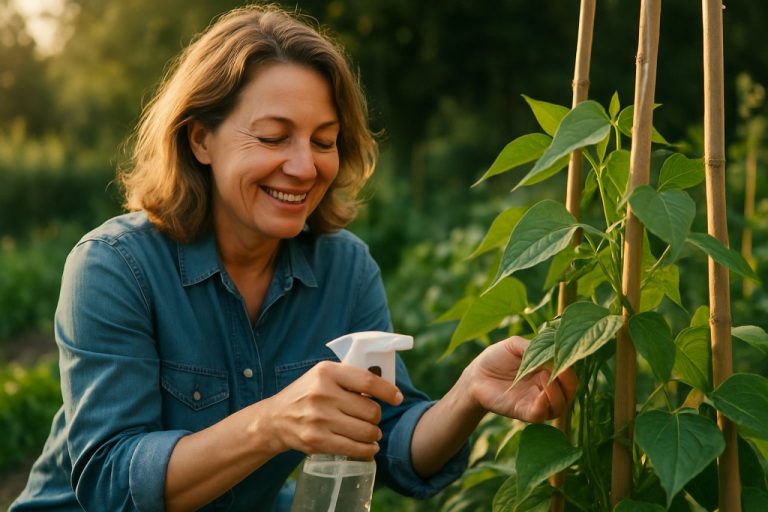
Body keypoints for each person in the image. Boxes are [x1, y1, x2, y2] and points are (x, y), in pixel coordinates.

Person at [10, 4, 577, 511]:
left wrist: (469, 394)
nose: (305, 168)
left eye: (324, 140)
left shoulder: (344, 271)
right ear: (199, 140)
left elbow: (392, 443)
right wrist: (274, 421)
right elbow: (111, 483)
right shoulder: (115, 266)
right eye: (275, 136)